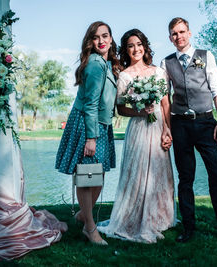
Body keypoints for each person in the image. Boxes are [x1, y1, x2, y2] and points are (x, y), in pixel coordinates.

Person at [160, 17, 217, 246]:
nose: (179, 37)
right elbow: (164, 99)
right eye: (174, 34)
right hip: (180, 125)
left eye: (182, 32)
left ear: (190, 32)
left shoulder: (206, 56)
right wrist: (167, 128)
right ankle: (188, 229)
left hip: (206, 124)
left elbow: (216, 90)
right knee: (186, 179)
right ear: (170, 38)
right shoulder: (166, 63)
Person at [98, 29, 176, 243]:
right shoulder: (124, 76)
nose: (136, 49)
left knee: (160, 172)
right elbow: (121, 109)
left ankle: (161, 217)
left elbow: (165, 103)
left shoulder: (158, 72)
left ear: (145, 46)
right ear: (126, 49)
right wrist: (140, 111)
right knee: (139, 172)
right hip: (139, 129)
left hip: (159, 124)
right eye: (131, 45)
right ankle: (134, 218)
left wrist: (168, 129)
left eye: (139, 44)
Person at [55, 21, 120, 245]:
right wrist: (91, 137)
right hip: (88, 124)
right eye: (96, 37)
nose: (101, 41)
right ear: (90, 42)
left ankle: (84, 215)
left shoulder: (106, 63)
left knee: (97, 175)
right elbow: (91, 103)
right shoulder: (95, 64)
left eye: (105, 36)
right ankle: (90, 229)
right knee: (88, 175)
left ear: (111, 39)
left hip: (100, 123)